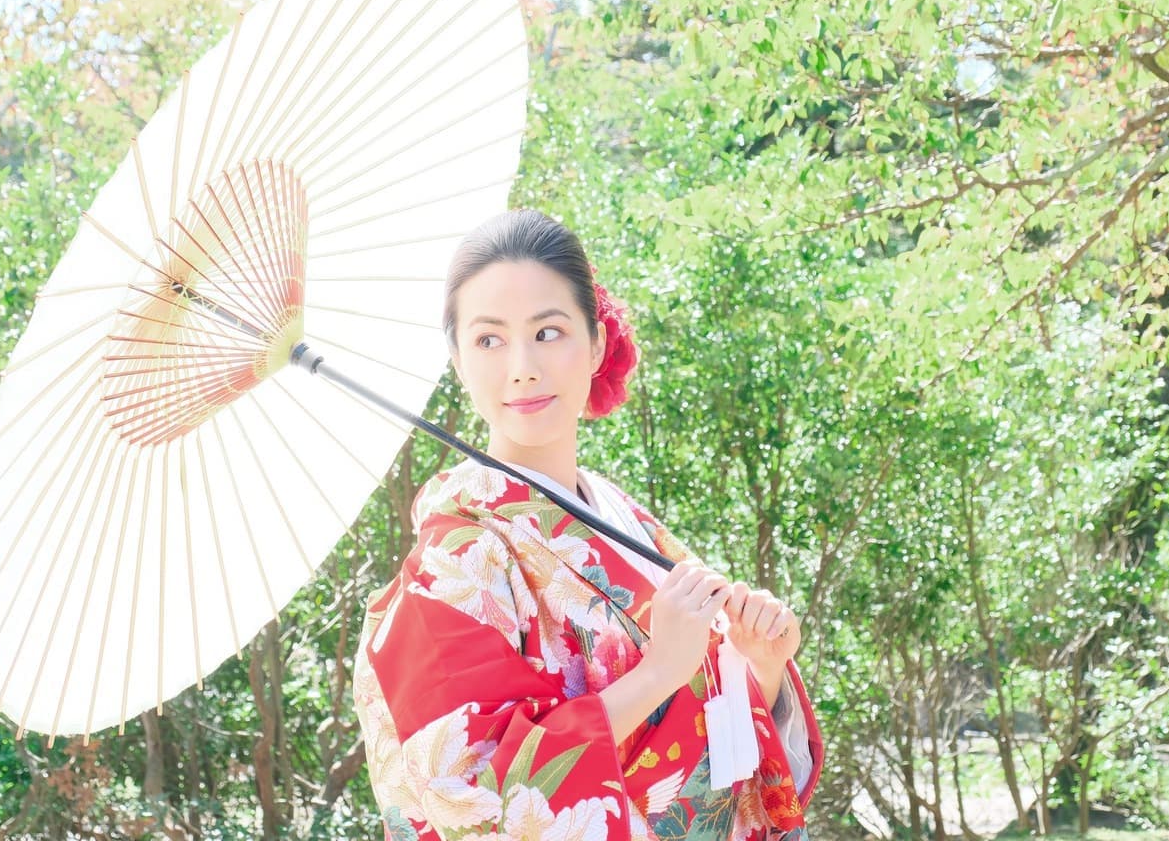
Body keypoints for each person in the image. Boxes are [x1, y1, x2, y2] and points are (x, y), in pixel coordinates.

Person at [352, 209, 824, 840]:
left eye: (548, 332)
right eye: (489, 340)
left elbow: (705, 767)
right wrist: (658, 672)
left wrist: (756, 666)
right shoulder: (454, 561)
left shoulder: (629, 524)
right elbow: (467, 794)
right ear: (459, 361)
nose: (521, 366)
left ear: (597, 343)